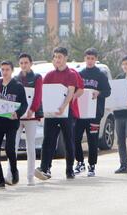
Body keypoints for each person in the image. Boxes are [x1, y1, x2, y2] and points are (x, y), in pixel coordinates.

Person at [35, 47, 84, 181]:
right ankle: (45, 168)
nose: (57, 59)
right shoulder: (49, 75)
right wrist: (43, 111)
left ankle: (69, 170)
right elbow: (44, 93)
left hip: (66, 113)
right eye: (55, 57)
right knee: (48, 140)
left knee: (68, 141)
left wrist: (63, 106)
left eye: (60, 57)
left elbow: (70, 92)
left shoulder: (71, 74)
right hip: (51, 114)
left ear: (66, 58)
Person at [0, 61, 28, 188]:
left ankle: (14, 171)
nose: (5, 72)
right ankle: (0, 180)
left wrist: (17, 113)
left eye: (7, 69)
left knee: (10, 149)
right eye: (3, 69)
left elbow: (24, 104)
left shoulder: (18, 86)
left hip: (11, 122)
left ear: (12, 71)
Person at [75, 48, 111, 177]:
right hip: (80, 113)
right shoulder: (80, 74)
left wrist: (99, 92)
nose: (90, 61)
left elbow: (108, 91)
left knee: (92, 140)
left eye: (92, 58)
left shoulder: (100, 74)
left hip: (95, 113)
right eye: (88, 58)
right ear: (84, 59)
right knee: (76, 138)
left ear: (96, 59)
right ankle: (80, 162)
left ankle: (92, 165)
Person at [15, 53, 43, 186]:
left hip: (31, 117)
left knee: (30, 146)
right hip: (17, 116)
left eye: (26, 62)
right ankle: (11, 174)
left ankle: (30, 176)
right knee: (13, 145)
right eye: (21, 63)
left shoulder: (37, 78)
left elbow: (37, 96)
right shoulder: (16, 78)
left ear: (31, 64)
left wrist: (32, 110)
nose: (24, 65)